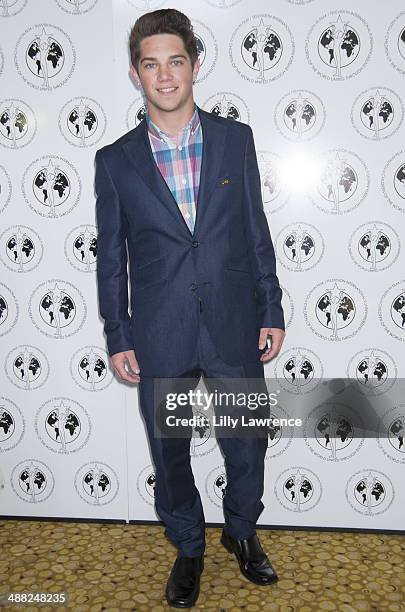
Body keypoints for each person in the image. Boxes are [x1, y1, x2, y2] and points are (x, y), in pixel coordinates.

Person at [94, 8, 285, 608]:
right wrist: (118, 332)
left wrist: (271, 306)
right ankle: (189, 546)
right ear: (136, 74)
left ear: (194, 65)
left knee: (248, 440)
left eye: (176, 61)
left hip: (233, 322)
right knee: (170, 452)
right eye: (151, 64)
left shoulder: (236, 140)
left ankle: (241, 531)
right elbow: (111, 257)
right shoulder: (115, 161)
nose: (165, 75)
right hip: (160, 330)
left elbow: (256, 228)